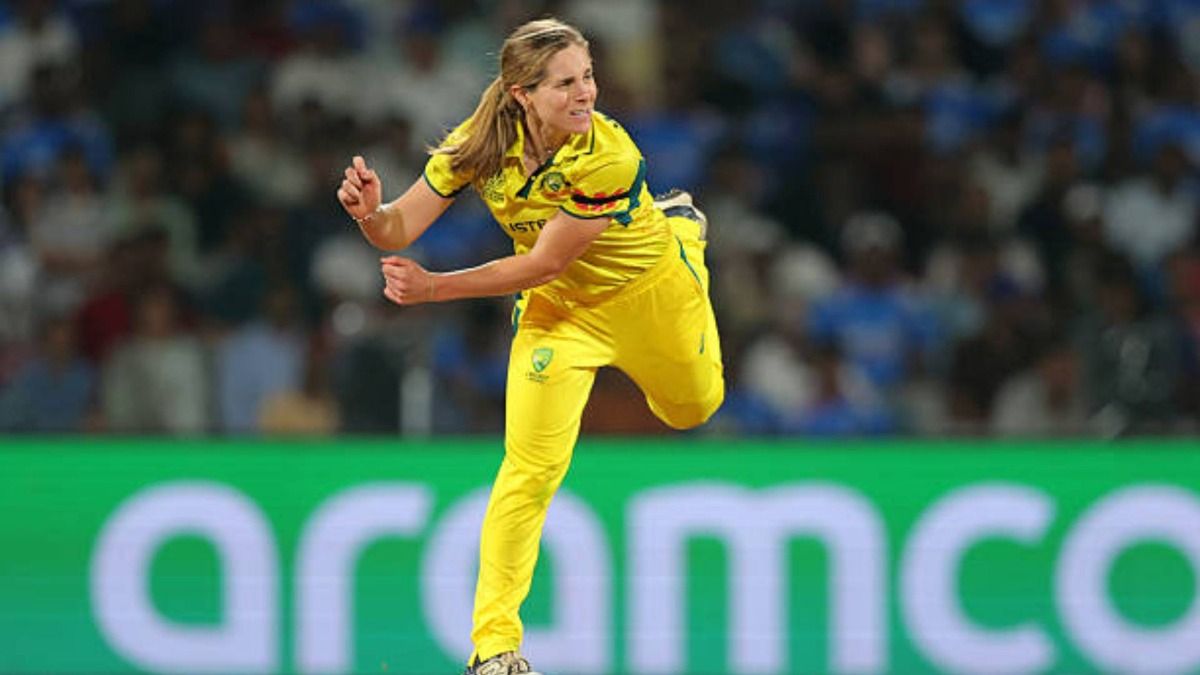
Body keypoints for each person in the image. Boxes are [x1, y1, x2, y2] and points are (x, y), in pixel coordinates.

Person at [335, 18, 724, 675]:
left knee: (691, 409)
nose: (586, 94)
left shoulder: (609, 155)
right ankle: (493, 648)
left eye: (589, 77)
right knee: (528, 471)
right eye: (566, 83)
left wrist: (433, 288)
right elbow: (400, 227)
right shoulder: (477, 144)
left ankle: (680, 229)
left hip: (648, 293)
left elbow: (542, 260)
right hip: (560, 314)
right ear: (521, 93)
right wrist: (371, 216)